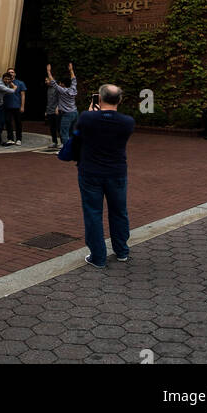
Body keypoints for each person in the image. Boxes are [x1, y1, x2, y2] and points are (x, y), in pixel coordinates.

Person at [69, 83, 135, 269]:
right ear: (120, 100)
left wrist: (92, 112)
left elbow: (76, 133)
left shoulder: (87, 118)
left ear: (99, 98)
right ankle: (122, 251)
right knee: (119, 212)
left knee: (93, 213)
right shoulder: (127, 122)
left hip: (90, 172)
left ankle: (98, 257)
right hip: (116, 172)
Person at [46, 61, 78, 142]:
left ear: (63, 84)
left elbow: (53, 82)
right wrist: (71, 70)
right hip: (75, 112)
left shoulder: (62, 90)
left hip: (66, 114)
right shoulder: (73, 88)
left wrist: (48, 71)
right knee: (72, 132)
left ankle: (65, 150)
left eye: (60, 83)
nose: (59, 84)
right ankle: (72, 149)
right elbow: (73, 78)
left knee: (64, 132)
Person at [4, 68, 27, 145]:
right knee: (8, 122)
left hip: (17, 106)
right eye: (9, 72)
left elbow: (23, 95)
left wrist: (22, 106)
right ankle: (10, 138)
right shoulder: (4, 83)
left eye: (12, 72)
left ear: (15, 74)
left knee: (18, 123)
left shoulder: (20, 83)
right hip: (7, 106)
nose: (11, 73)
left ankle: (18, 139)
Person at [45, 72, 60, 149]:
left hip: (56, 111)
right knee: (52, 127)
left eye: (47, 80)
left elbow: (60, 99)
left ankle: (63, 142)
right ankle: (54, 142)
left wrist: (58, 107)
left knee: (59, 127)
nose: (46, 82)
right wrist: (46, 111)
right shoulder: (48, 89)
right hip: (50, 111)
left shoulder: (57, 88)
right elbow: (49, 101)